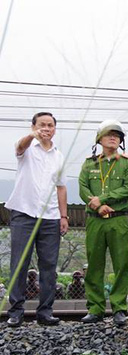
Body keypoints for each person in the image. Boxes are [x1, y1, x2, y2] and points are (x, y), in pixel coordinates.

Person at [5, 112, 68, 327]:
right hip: (24, 213)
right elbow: (19, 147)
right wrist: (32, 135)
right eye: (42, 125)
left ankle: (45, 312)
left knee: (49, 266)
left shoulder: (58, 156)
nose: (46, 128)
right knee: (19, 263)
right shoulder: (27, 147)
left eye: (50, 125)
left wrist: (63, 215)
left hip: (50, 217)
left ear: (55, 129)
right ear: (33, 126)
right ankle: (15, 311)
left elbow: (61, 187)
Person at [78, 120, 128, 326]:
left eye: (117, 135)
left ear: (121, 140)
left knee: (121, 264)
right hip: (95, 220)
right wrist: (97, 206)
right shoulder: (89, 163)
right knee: (94, 264)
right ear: (99, 139)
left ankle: (119, 309)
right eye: (108, 134)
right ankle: (95, 308)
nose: (113, 137)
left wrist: (101, 200)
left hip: (118, 219)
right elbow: (83, 188)